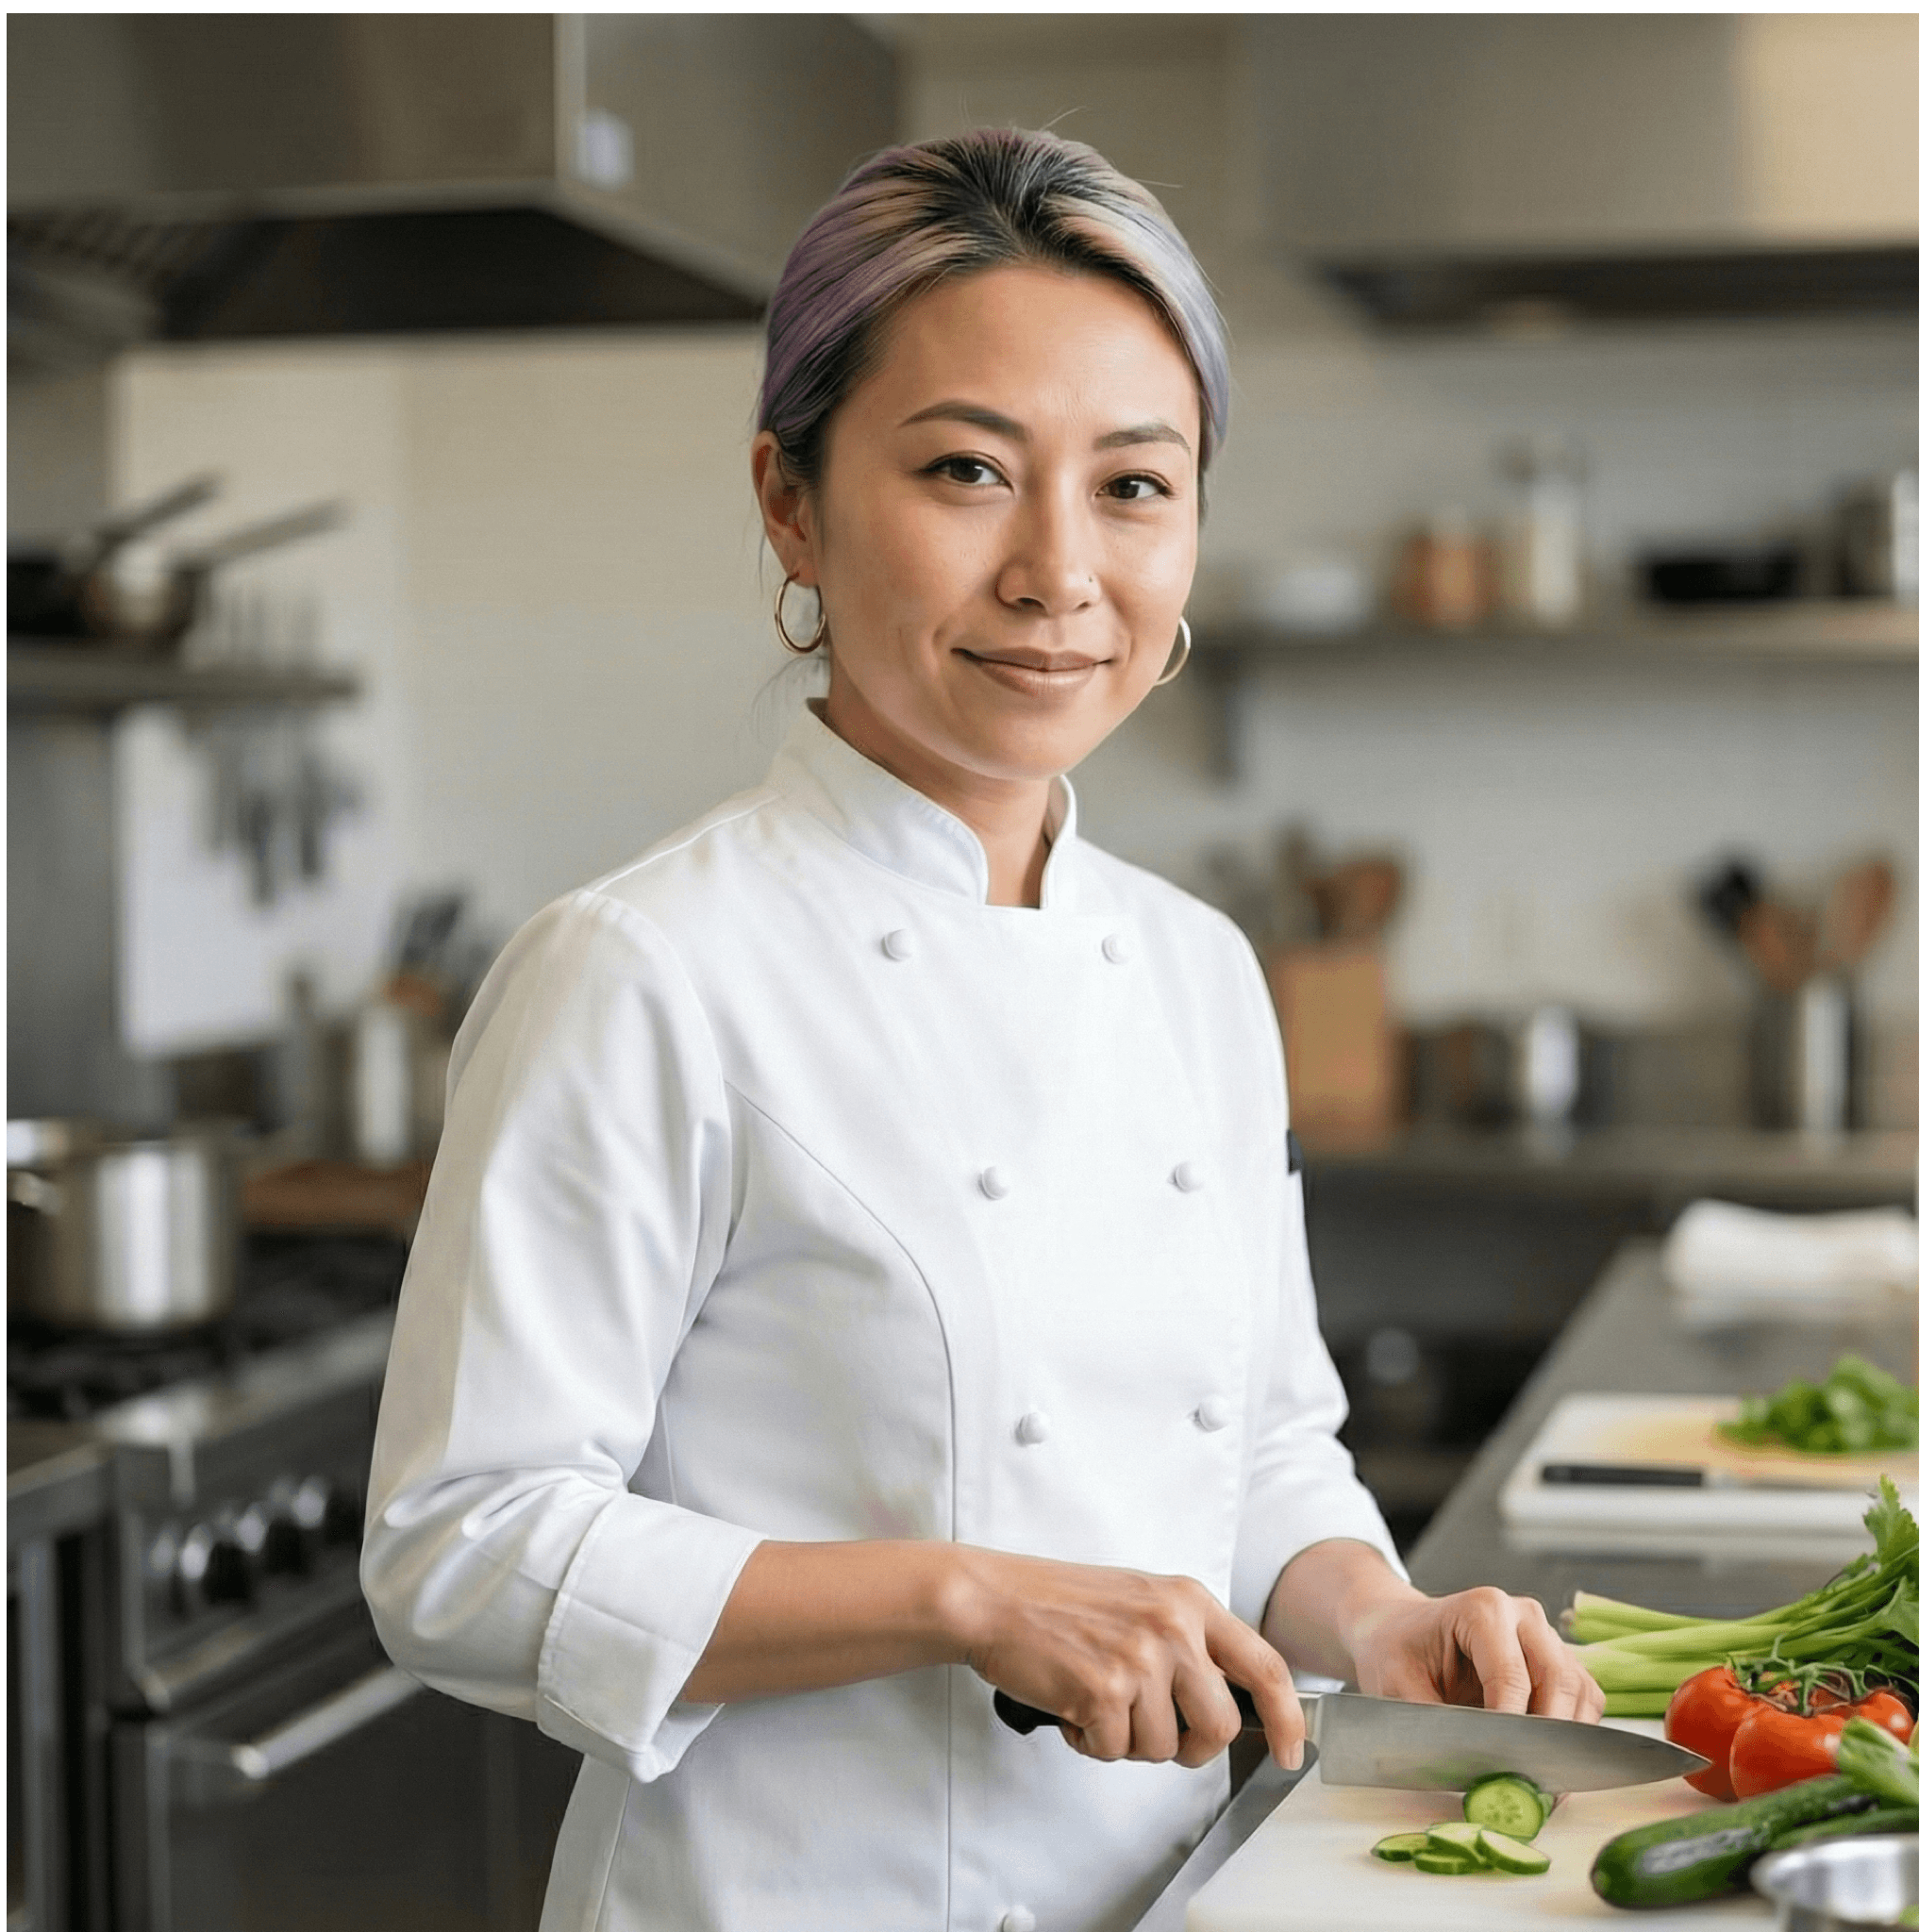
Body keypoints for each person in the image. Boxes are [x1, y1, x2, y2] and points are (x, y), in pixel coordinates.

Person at [362, 128, 1602, 1932]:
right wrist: (964, 1598)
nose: (1058, 573)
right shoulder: (643, 970)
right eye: (965, 471)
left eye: (1133, 486)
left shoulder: (1198, 971)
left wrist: (1381, 1619)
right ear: (790, 501)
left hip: (1185, 1892)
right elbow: (458, 1549)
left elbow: (1254, 1448)